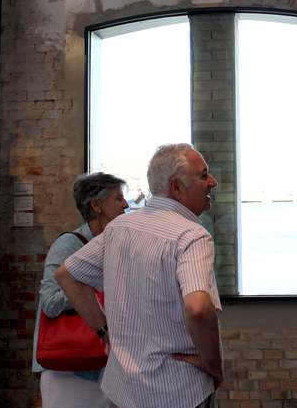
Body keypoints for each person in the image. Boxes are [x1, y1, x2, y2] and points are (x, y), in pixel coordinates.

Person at [55, 143, 223, 408]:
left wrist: (105, 332)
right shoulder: (191, 236)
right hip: (177, 391)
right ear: (176, 187)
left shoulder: (119, 228)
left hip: (123, 391)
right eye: (203, 176)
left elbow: (67, 275)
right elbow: (198, 309)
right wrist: (214, 365)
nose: (212, 182)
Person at [33, 172, 129, 408]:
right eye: (118, 199)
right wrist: (87, 287)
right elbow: (50, 302)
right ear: (97, 205)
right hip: (69, 370)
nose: (126, 204)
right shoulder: (69, 244)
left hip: (102, 364)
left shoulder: (112, 244)